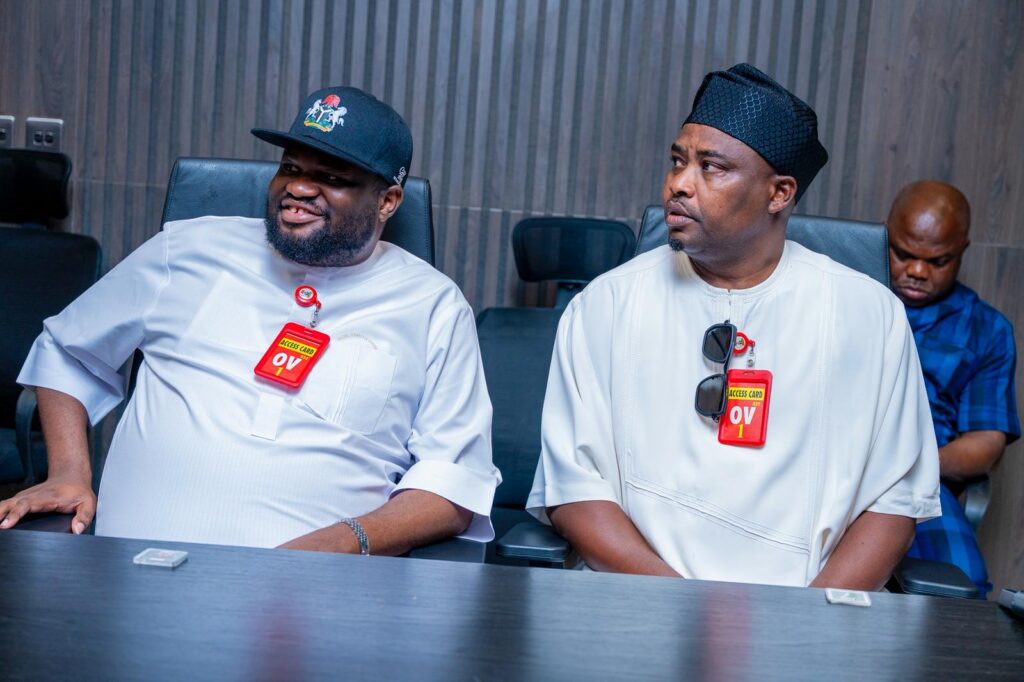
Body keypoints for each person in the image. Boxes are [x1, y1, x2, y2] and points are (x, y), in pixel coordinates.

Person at [0, 86, 500, 556]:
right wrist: (67, 472)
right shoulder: (187, 249)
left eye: (331, 178)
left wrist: (342, 545)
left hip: (315, 599)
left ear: (387, 201)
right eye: (290, 168)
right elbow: (68, 351)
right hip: (135, 579)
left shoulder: (434, 306)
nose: (298, 188)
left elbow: (452, 484)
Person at [527, 64, 940, 589]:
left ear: (779, 193)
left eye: (712, 167)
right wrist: (679, 609)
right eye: (678, 161)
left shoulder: (869, 315)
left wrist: (808, 622)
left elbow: (894, 502)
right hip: (639, 604)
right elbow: (573, 491)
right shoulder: (605, 305)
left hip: (801, 615)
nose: (678, 184)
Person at [886, 180, 1020, 596]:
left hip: (921, 479)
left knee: (961, 583)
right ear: (886, 236)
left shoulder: (987, 330)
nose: (917, 271)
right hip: (827, 464)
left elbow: (986, 445)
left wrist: (910, 462)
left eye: (937, 261)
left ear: (962, 251)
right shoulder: (846, 294)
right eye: (903, 254)